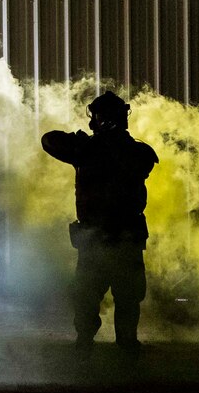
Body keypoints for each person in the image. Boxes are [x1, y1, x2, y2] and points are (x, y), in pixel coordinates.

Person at [41, 91, 159, 358]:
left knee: (101, 295)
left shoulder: (99, 150)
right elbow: (49, 141)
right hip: (116, 237)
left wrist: (97, 143)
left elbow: (50, 140)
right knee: (105, 296)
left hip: (106, 236)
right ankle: (111, 344)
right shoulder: (121, 150)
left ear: (98, 118)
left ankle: (97, 343)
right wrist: (99, 142)